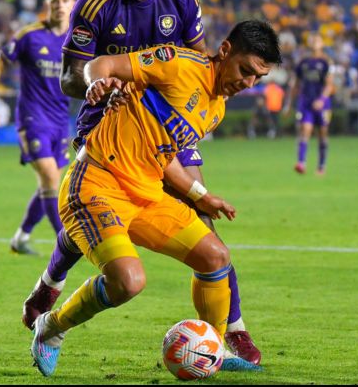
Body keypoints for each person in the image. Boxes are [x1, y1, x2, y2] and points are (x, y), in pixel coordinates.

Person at [22, 0, 263, 365]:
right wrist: (98, 85)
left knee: (206, 230)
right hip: (107, 113)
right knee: (97, 210)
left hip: (169, 120)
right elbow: (73, 77)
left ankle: (228, 332)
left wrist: (195, 182)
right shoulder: (95, 6)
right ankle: (51, 287)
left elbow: (192, 70)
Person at [30, 20, 281, 377]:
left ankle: (213, 349)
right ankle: (51, 329)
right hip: (96, 183)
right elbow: (98, 64)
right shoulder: (178, 64)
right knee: (128, 281)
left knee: (215, 256)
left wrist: (201, 195)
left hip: (145, 193)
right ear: (225, 51)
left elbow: (162, 157)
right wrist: (98, 82)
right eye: (245, 70)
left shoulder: (216, 109)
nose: (248, 83)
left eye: (258, 78)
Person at [0, 0, 76, 255]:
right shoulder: (29, 36)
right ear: (47, 3)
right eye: (54, 0)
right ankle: (67, 243)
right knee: (48, 176)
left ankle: (21, 238)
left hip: (60, 121)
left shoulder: (76, 40)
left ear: (73, 3)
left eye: (65, 0)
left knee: (50, 183)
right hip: (33, 118)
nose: (59, 5)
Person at [285, 34, 335, 175]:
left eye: (317, 40)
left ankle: (321, 166)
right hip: (306, 102)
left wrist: (322, 99)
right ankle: (301, 163)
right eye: (312, 40)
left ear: (322, 44)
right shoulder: (303, 62)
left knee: (322, 134)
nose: (314, 42)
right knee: (305, 130)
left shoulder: (326, 62)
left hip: (322, 104)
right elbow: (295, 84)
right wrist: (288, 104)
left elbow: (329, 85)